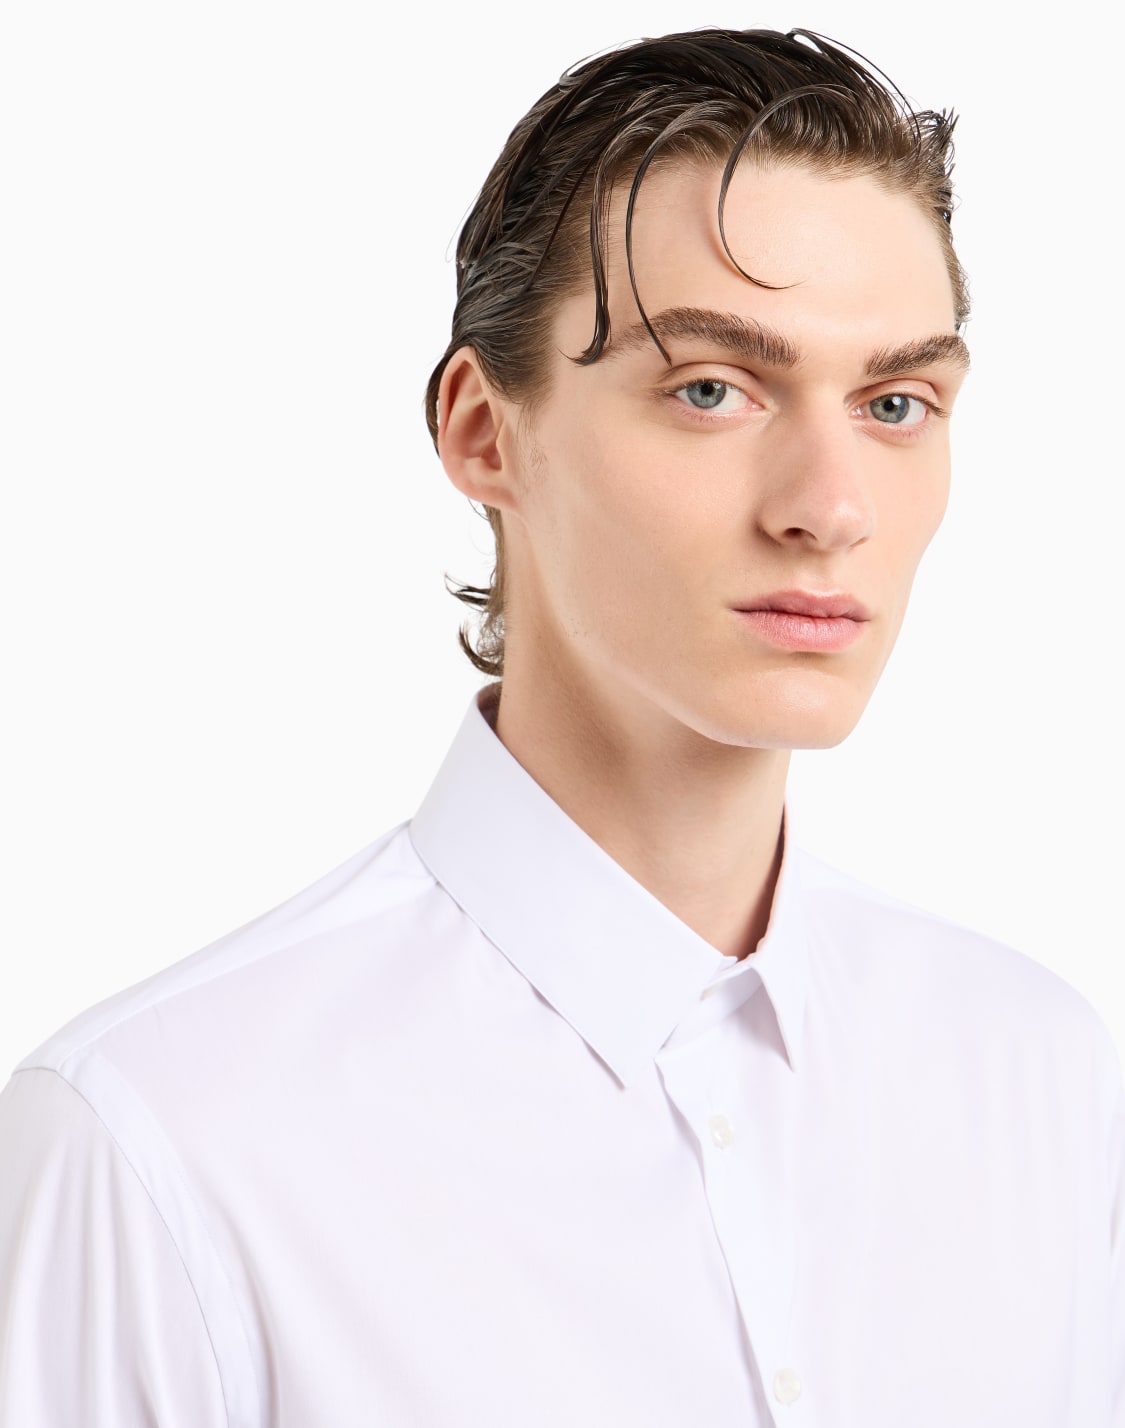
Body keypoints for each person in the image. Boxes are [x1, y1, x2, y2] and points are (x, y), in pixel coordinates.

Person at [0, 24, 1121, 1427]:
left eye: (895, 403)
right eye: (710, 389)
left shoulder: (1039, 1072)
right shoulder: (162, 1141)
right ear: (484, 431)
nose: (830, 508)